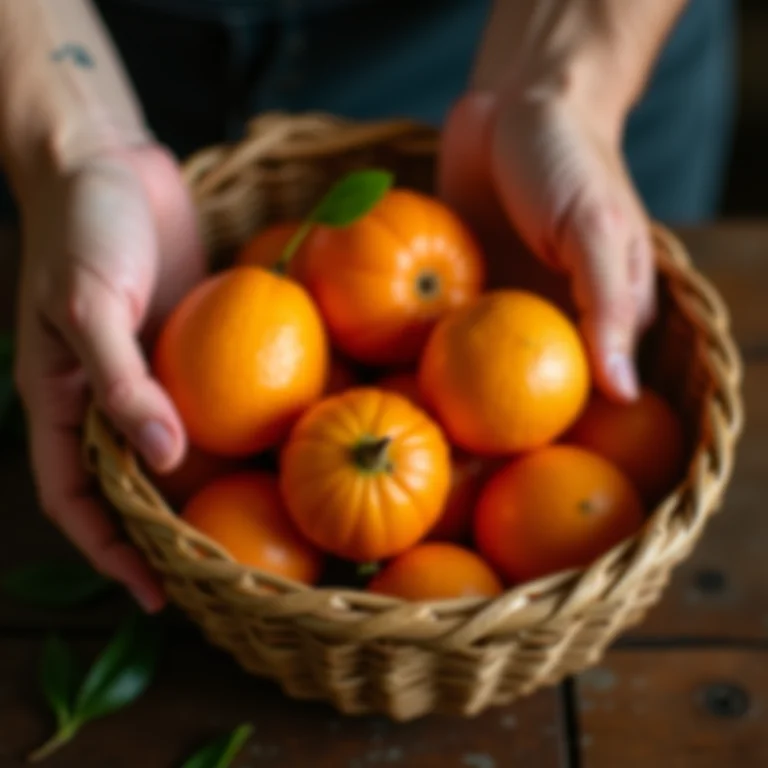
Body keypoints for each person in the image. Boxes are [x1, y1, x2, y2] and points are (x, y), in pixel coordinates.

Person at [0, 0, 735, 613]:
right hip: (93, 43)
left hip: (523, 30)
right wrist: (70, 137)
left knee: (596, 302)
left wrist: (561, 84)